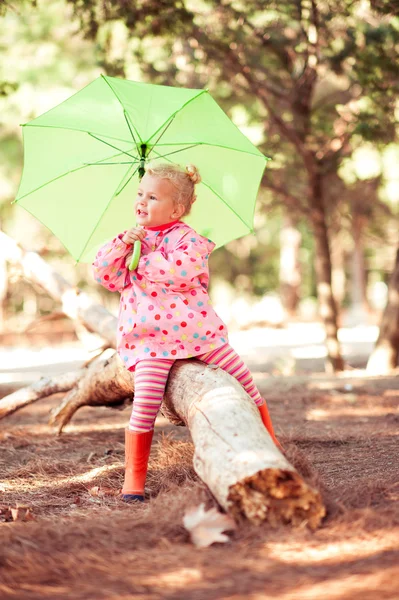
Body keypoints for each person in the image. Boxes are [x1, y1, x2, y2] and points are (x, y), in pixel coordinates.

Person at [93, 162, 281, 503]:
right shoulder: (130, 241)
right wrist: (124, 244)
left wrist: (143, 261)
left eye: (152, 197)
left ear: (176, 209)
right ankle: (134, 479)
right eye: (139, 194)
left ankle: (271, 441)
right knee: (146, 403)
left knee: (244, 380)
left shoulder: (188, 239)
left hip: (197, 334)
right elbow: (105, 275)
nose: (141, 202)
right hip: (150, 341)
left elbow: (181, 271)